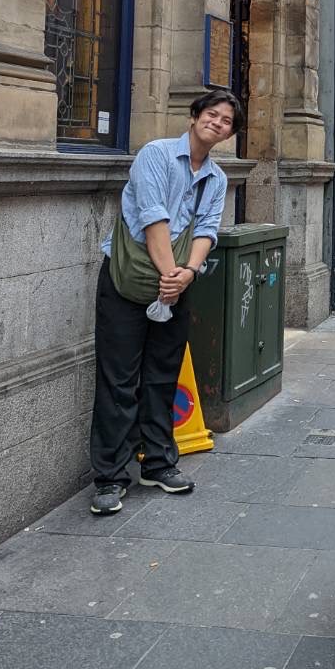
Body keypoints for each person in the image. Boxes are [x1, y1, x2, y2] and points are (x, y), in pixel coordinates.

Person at [89, 89, 240, 516]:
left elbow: (208, 228)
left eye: (226, 120)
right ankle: (110, 477)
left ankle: (157, 462)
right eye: (211, 114)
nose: (217, 123)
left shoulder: (217, 177)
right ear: (194, 116)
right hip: (128, 278)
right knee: (119, 378)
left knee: (162, 374)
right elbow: (153, 217)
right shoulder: (155, 155)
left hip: (176, 281)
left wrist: (187, 274)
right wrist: (168, 274)